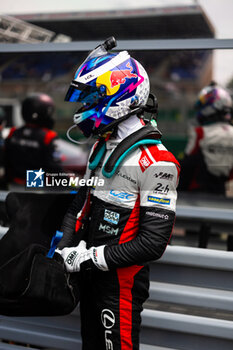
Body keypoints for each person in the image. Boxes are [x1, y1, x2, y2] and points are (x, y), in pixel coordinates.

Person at [57, 37, 180, 350]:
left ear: (120, 94)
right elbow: (79, 205)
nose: (85, 108)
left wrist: (88, 258)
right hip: (88, 274)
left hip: (121, 284)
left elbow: (153, 242)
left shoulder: (157, 161)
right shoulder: (101, 147)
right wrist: (63, 252)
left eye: (92, 99)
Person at [178, 82, 233, 194]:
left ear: (215, 104)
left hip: (196, 195)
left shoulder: (200, 132)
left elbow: (187, 168)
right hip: (222, 195)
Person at [4, 93, 64, 187]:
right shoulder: (48, 136)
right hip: (35, 186)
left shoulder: (13, 132)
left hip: (13, 183)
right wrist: (67, 182)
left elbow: (6, 160)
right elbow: (55, 167)